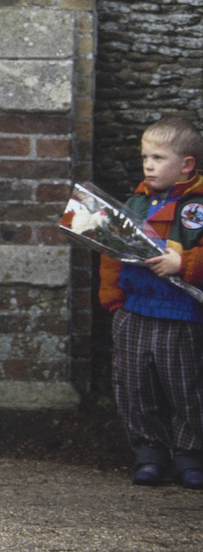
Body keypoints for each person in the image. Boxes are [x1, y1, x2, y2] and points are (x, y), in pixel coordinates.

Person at [98, 117, 203, 490]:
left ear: (186, 165)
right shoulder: (134, 202)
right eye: (145, 156)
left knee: (184, 388)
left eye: (158, 157)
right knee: (134, 387)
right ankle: (149, 456)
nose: (148, 164)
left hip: (181, 314)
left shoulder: (199, 206)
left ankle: (190, 457)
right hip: (133, 311)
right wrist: (113, 302)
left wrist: (184, 263)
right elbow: (111, 253)